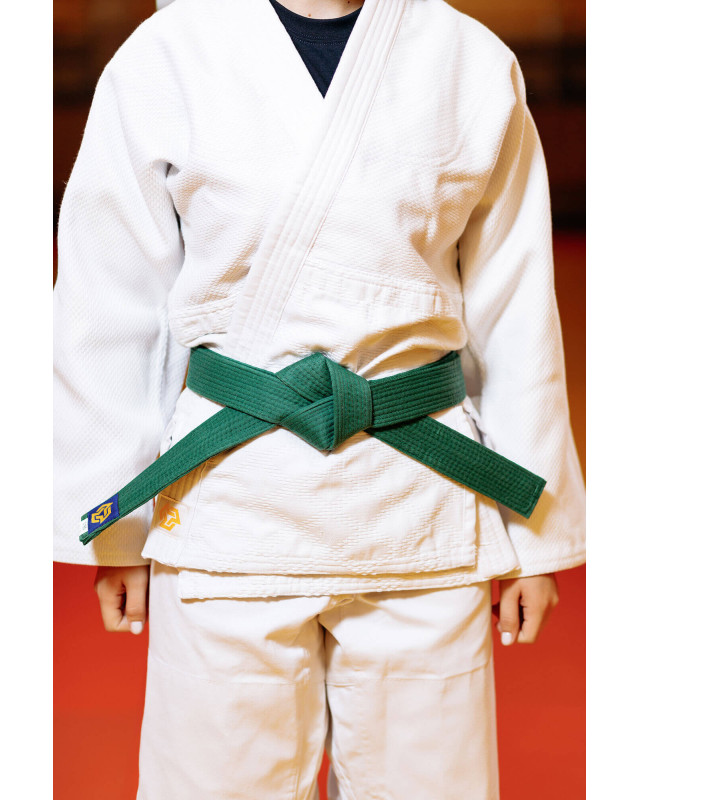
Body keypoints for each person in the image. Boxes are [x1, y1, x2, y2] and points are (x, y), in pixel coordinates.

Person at [53, 0, 586, 797]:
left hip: (419, 503)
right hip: (229, 504)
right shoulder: (167, 55)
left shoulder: (467, 60)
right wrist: (116, 531)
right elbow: (112, 298)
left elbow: (515, 308)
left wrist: (534, 536)